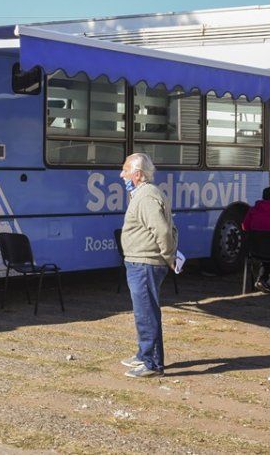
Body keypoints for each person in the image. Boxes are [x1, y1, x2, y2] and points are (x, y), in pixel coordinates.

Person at [118, 153, 178, 379]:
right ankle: (144, 355)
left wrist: (169, 256)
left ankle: (152, 363)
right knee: (144, 312)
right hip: (140, 262)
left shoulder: (146, 197)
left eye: (125, 170)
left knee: (146, 314)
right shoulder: (143, 194)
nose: (121, 174)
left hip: (145, 263)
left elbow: (162, 230)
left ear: (137, 174)